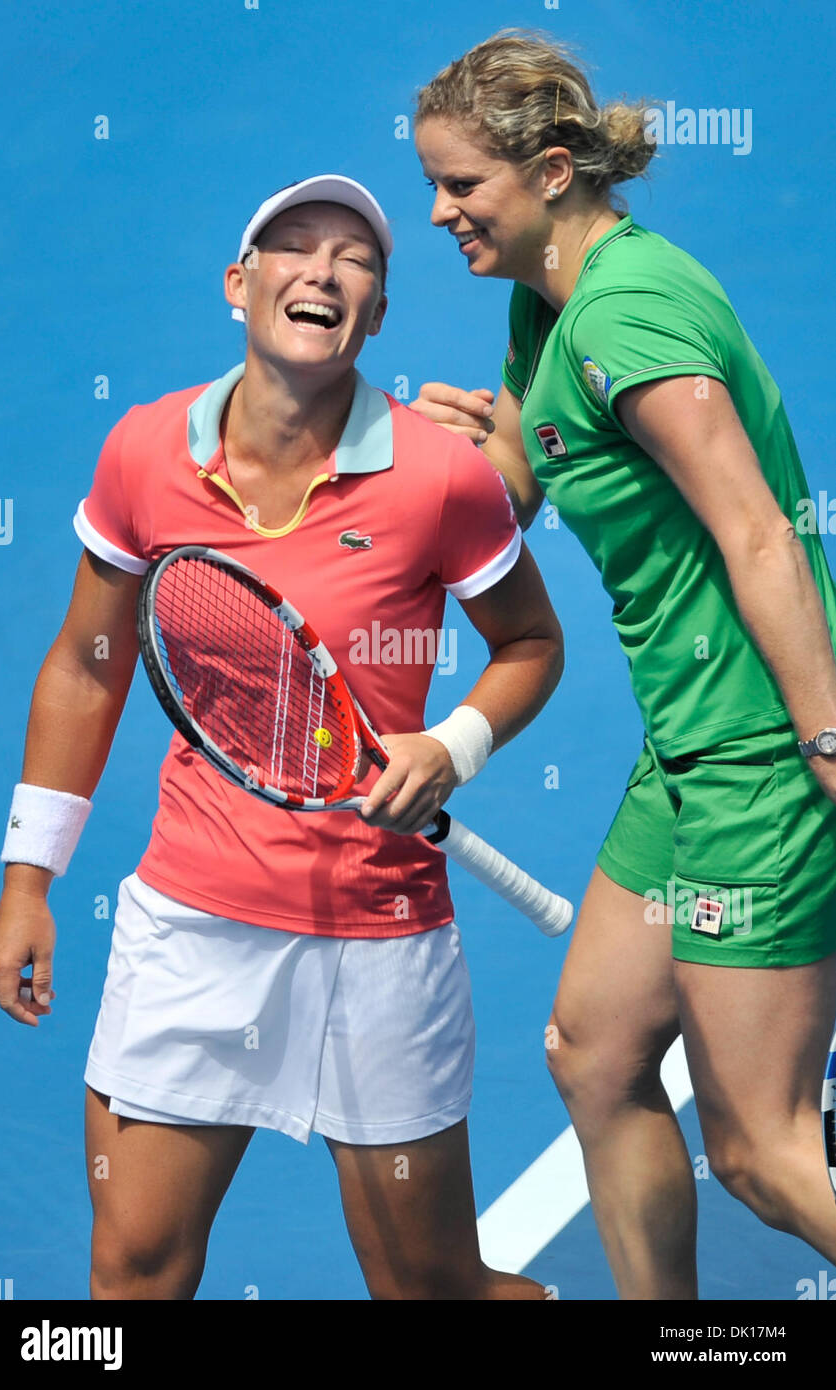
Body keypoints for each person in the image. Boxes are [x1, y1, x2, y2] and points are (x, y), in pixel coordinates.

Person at [0, 174, 564, 1301]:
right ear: (238, 286)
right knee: (134, 1269)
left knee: (431, 1284)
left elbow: (531, 643)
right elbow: (85, 665)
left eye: (354, 260)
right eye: (292, 248)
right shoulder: (145, 451)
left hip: (380, 931)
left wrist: (450, 746)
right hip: (195, 922)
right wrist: (28, 877)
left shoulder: (441, 476)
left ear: (378, 315)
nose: (323, 270)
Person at [412, 30, 836, 1299]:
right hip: (684, 754)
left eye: (462, 188)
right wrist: (446, 449)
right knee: (594, 1054)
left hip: (761, 750)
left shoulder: (626, 312)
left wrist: (825, 743)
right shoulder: (541, 306)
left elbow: (754, 530)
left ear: (550, 172)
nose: (439, 212)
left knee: (761, 1149)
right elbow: (526, 485)